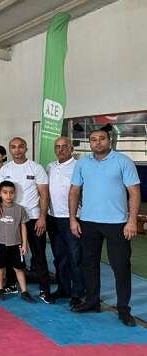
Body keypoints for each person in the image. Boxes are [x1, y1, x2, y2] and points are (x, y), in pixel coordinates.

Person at [69, 127, 141, 326]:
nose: (98, 142)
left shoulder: (123, 161)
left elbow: (134, 192)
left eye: (102, 138)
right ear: (90, 143)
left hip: (117, 223)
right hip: (88, 222)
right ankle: (92, 302)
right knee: (89, 264)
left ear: (110, 141)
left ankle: (124, 310)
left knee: (121, 267)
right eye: (93, 139)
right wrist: (73, 219)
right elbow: (74, 191)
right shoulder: (83, 163)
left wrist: (132, 220)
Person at [0, 137, 54, 304]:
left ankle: (45, 290)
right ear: (10, 150)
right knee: (11, 254)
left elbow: (44, 194)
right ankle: (12, 285)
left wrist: (42, 217)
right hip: (10, 219)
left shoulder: (36, 167)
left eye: (20, 146)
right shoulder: (5, 169)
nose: (17, 149)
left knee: (39, 255)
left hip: (33, 218)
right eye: (13, 147)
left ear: (26, 148)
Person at [46, 137, 84, 307]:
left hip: (72, 218)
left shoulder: (79, 166)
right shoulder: (50, 167)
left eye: (64, 146)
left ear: (71, 148)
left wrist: (76, 217)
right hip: (53, 218)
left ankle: (78, 293)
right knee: (59, 257)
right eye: (57, 147)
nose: (60, 150)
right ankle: (63, 288)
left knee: (75, 258)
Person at [0, 181, 35, 303]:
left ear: (15, 193)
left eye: (11, 193)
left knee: (19, 268)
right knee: (0, 268)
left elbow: (23, 226)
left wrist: (24, 244)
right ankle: (0, 289)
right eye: (5, 192)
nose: (8, 195)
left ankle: (24, 291)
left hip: (17, 245)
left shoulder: (20, 209)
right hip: (1, 244)